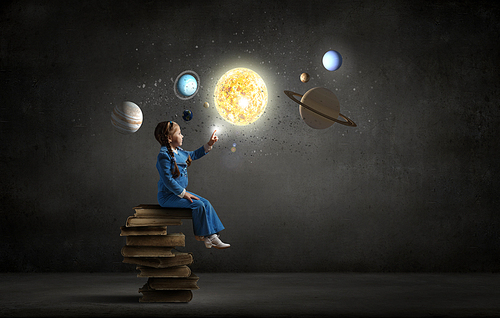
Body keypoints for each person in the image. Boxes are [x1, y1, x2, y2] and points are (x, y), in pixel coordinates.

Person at [154, 120, 230, 249]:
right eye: (179, 133)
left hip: (179, 194)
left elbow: (193, 154)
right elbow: (168, 180)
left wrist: (209, 144)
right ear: (169, 138)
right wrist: (183, 194)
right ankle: (204, 236)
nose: (182, 136)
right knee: (198, 205)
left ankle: (211, 236)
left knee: (205, 202)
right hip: (168, 196)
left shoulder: (179, 151)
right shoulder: (164, 156)